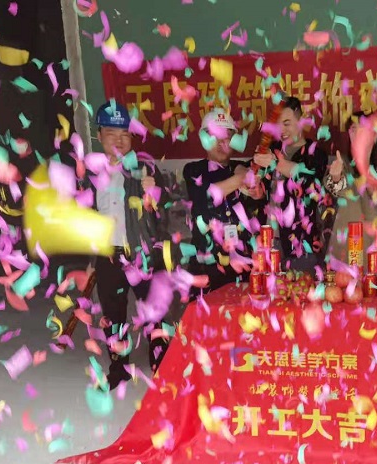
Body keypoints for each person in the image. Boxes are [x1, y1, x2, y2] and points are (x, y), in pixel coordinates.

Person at [90, 100, 173, 390]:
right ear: (99, 135)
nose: (119, 139)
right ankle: (119, 368)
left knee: (155, 312)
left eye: (124, 133)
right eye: (111, 133)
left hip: (141, 255)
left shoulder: (145, 168)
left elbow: (166, 206)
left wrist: (155, 194)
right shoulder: (92, 174)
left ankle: (162, 365)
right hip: (108, 256)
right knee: (113, 315)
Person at [183, 106, 263, 296]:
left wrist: (257, 192)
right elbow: (206, 196)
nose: (221, 142)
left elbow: (259, 205)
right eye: (214, 136)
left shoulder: (242, 168)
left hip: (244, 267)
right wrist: (241, 178)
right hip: (206, 267)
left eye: (227, 136)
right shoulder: (193, 170)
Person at [252, 96, 330, 272]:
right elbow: (256, 184)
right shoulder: (271, 150)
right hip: (269, 242)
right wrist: (255, 189)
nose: (282, 130)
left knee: (301, 287)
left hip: (302, 244)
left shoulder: (316, 154)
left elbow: (310, 184)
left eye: (287, 123)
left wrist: (275, 164)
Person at [323, 111, 377, 262]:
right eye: (353, 129)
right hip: (351, 257)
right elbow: (337, 186)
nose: (358, 134)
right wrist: (336, 177)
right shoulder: (342, 164)